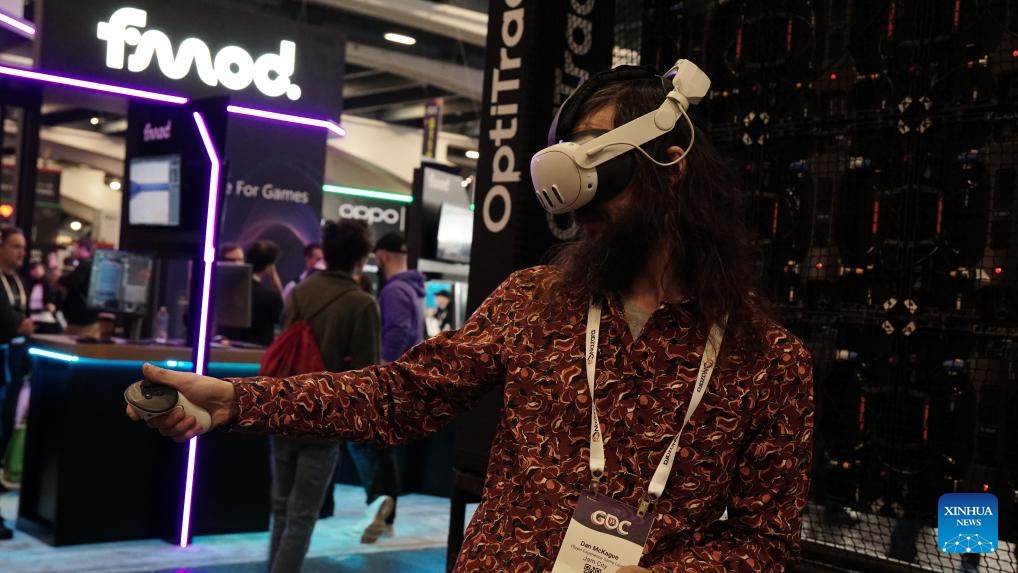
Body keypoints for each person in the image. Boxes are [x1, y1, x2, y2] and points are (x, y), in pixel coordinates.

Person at [129, 60, 814, 572]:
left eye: (600, 162)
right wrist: (241, 400)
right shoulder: (535, 302)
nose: (580, 197)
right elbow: (403, 395)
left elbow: (765, 541)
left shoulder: (768, 360)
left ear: (671, 158)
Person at [267, 220, 379, 572]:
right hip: (324, 418)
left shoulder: (299, 292)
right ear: (361, 257)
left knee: (281, 509)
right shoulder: (362, 303)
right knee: (302, 517)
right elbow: (366, 375)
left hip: (283, 408)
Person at [0, 225, 30, 541]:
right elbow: (8, 322)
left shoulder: (19, 281)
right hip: (3, 360)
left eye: (23, 247)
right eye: (15, 246)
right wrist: (18, 324)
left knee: (6, 429)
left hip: (16, 362)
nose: (21, 252)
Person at [217, 241, 284, 347]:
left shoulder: (223, 292)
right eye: (232, 260)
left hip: (226, 350)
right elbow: (284, 319)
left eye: (240, 260)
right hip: (258, 353)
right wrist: (277, 284)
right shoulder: (270, 297)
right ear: (269, 267)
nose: (237, 264)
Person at [58, 237, 97, 336]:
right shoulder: (90, 264)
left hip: (81, 318)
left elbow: (72, 282)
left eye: (75, 247)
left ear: (83, 248)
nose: (73, 250)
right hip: (84, 317)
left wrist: (59, 277)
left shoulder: (85, 265)